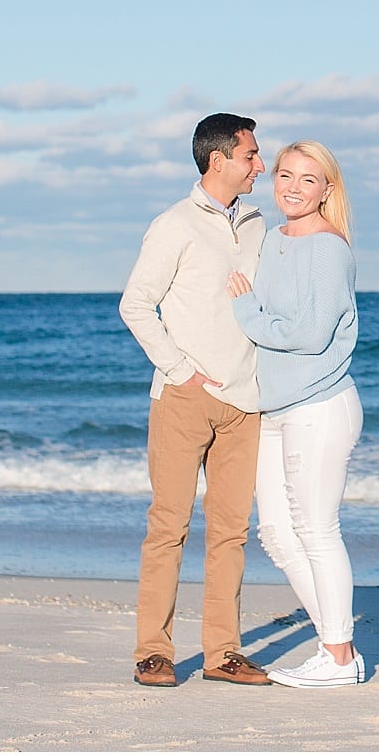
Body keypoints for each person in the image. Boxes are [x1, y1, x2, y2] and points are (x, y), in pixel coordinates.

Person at [118, 113, 272, 688]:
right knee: (169, 528)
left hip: (246, 403)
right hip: (184, 399)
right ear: (219, 160)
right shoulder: (174, 224)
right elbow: (136, 305)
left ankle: (223, 653)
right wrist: (182, 372)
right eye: (251, 155)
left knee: (231, 533)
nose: (261, 165)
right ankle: (152, 652)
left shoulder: (260, 225)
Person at [228, 140, 365, 688]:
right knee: (278, 536)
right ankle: (336, 647)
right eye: (285, 174)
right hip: (274, 407)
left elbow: (309, 335)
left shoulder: (329, 248)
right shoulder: (272, 238)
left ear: (328, 189)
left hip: (320, 404)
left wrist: (246, 315)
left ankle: (337, 657)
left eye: (308, 179)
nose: (292, 187)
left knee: (315, 528)